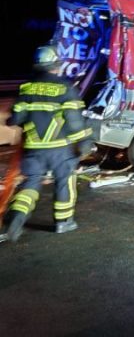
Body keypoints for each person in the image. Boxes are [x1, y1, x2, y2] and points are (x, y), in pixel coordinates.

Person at [0, 45, 92, 243]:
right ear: (57, 66)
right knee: (64, 181)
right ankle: (63, 221)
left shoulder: (27, 87)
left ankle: (17, 216)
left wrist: (11, 121)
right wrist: (85, 142)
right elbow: (75, 121)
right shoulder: (65, 88)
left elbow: (17, 118)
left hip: (33, 149)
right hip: (59, 149)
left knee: (30, 183)